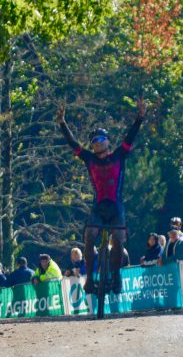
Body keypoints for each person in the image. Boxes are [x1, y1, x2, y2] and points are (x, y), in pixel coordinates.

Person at [56, 96, 146, 294]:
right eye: (94, 141)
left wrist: (140, 117)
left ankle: (115, 277)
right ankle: (89, 280)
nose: (97, 143)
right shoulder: (88, 158)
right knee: (89, 237)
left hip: (116, 207)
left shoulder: (118, 156)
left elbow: (130, 137)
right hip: (98, 208)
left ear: (108, 142)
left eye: (101, 140)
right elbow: (73, 143)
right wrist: (62, 123)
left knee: (119, 241)